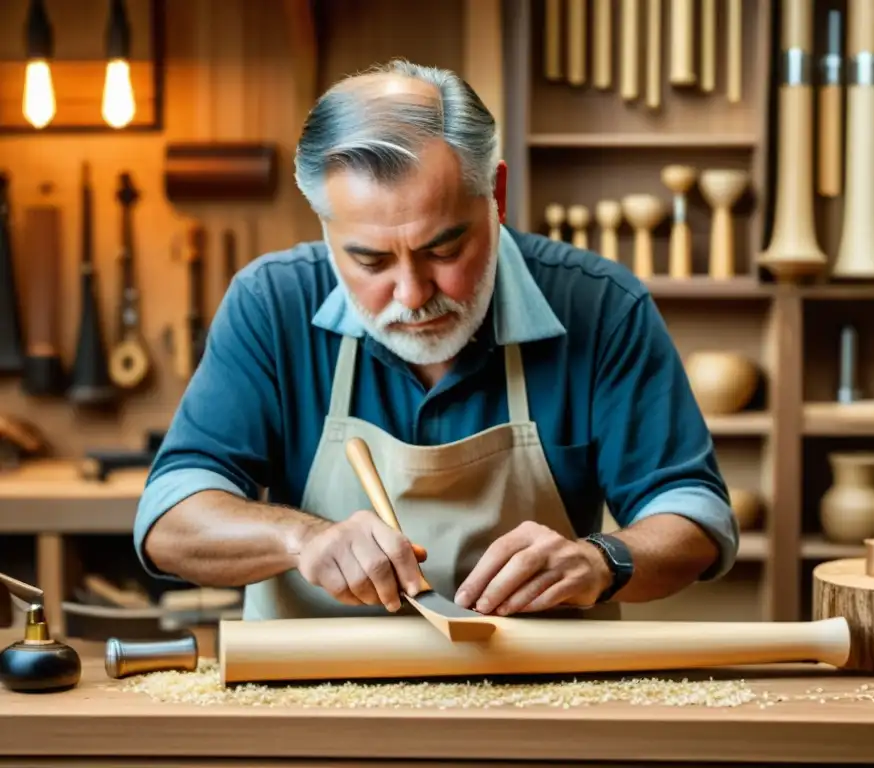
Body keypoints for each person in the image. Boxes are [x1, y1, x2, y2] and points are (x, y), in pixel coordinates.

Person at [134, 59, 738, 622]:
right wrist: (301, 537)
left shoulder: (599, 305)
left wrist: (602, 561)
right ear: (325, 227)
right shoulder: (272, 304)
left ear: (496, 198)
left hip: (543, 708)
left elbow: (696, 517)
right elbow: (170, 517)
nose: (413, 294)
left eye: (444, 250)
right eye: (370, 262)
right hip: (312, 710)